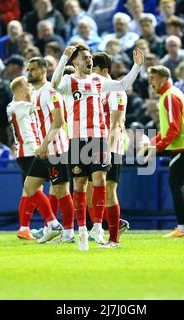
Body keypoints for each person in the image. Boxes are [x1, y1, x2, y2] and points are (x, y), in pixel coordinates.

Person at [51, 44, 143, 250]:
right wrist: (63, 58)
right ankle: (82, 230)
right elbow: (54, 83)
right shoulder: (68, 81)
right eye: (84, 57)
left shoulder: (98, 81)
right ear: (75, 61)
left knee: (100, 180)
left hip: (99, 139)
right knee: (80, 184)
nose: (89, 59)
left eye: (90, 56)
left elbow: (121, 85)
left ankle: (99, 229)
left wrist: (136, 67)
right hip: (76, 139)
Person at [139, 65, 184, 238]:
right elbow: (169, 128)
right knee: (178, 183)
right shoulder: (170, 94)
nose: (150, 83)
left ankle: (183, 228)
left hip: (183, 145)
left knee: (174, 184)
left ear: (163, 78)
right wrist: (153, 143)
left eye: (153, 79)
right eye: (149, 79)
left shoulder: (169, 96)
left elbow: (174, 129)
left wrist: (157, 148)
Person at [24, 57, 76, 244]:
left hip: (56, 149)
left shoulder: (51, 92)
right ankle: (53, 224)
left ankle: (69, 232)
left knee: (61, 191)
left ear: (43, 71)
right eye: (28, 69)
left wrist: (45, 144)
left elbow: (59, 120)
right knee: (30, 187)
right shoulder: (36, 93)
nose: (29, 72)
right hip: (45, 149)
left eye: (33, 69)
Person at [7, 76, 64, 243]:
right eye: (28, 85)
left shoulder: (13, 106)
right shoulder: (22, 106)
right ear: (20, 89)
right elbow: (42, 105)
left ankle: (25, 228)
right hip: (32, 152)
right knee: (54, 186)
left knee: (29, 190)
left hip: (25, 153)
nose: (31, 88)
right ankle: (52, 223)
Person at [85, 52, 130, 248]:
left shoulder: (116, 92)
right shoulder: (97, 90)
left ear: (104, 70)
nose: (91, 75)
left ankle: (114, 238)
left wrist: (109, 151)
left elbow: (117, 122)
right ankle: (105, 227)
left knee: (109, 190)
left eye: (94, 70)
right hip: (93, 143)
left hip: (110, 145)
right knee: (89, 191)